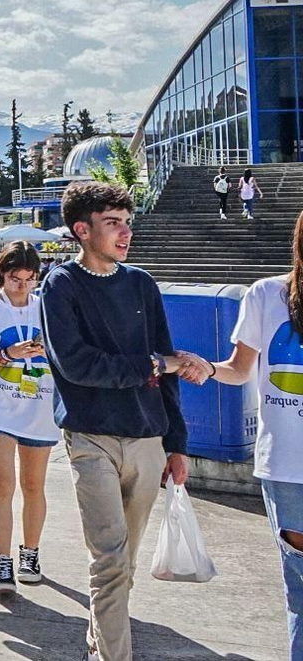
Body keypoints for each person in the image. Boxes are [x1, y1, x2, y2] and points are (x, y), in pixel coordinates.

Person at [40, 181, 212, 661]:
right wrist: (154, 365)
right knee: (110, 559)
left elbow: (167, 366)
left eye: (128, 222)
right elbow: (77, 365)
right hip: (90, 438)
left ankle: (100, 641)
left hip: (147, 438)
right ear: (82, 229)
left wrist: (177, 444)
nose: (125, 232)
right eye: (113, 223)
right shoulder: (60, 285)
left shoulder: (141, 284)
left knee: (124, 563)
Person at [210, 210, 303, 661]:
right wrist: (203, 367)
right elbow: (239, 368)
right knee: (300, 591)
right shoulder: (267, 294)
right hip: (287, 467)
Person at [0, 241, 60, 596]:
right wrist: (7, 354)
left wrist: (48, 351)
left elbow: (66, 356)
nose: (23, 286)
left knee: (34, 484)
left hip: (40, 404)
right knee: (3, 484)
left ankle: (30, 554)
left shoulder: (47, 307)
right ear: (1, 274)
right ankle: (2, 561)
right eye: (16, 278)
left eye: (30, 279)